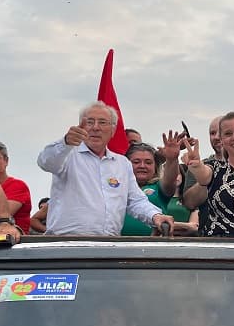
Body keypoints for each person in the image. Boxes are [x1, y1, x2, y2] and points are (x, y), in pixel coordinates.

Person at [36, 101, 174, 236]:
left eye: (102, 122)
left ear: (113, 130)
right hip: (68, 244)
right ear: (80, 126)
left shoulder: (122, 163)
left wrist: (155, 216)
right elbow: (45, 162)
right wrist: (65, 142)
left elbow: (135, 201)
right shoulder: (66, 154)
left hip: (108, 246)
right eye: (90, 122)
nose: (96, 127)